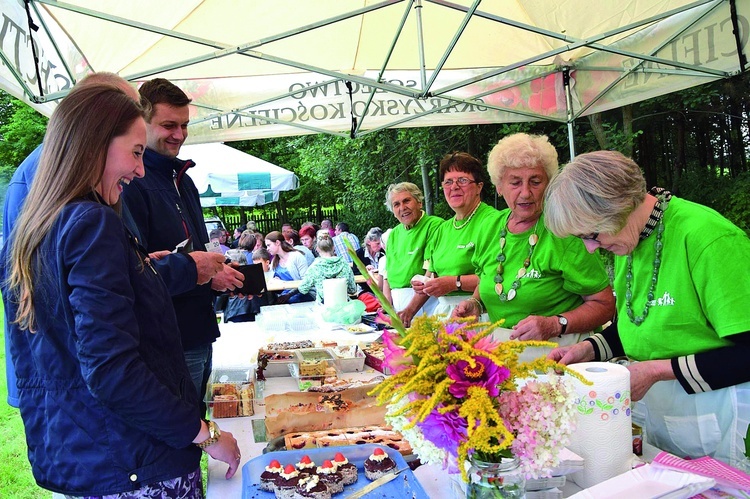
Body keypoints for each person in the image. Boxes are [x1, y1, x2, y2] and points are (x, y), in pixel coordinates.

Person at [0, 84, 240, 497]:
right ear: (94, 145)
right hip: (135, 463)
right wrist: (206, 433)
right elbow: (113, 371)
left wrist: (142, 270)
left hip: (84, 454)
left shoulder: (32, 229)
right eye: (135, 152)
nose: (141, 170)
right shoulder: (90, 224)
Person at [544, 150, 750, 466]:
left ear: (619, 205)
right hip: (666, 419)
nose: (590, 247)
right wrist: (588, 349)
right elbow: (640, 325)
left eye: (591, 235)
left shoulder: (707, 238)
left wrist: (655, 371)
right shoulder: (632, 236)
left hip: (718, 415)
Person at [121, 78, 244, 415]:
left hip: (199, 330)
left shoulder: (184, 180)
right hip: (166, 340)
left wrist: (221, 275)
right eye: (168, 125)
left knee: (199, 427)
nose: (179, 134)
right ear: (141, 124)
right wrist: (197, 272)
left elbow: (196, 253)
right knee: (185, 432)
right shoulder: (131, 182)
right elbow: (131, 271)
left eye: (185, 125)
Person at [452, 134, 614, 351]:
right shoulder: (489, 228)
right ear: (499, 186)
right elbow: (487, 279)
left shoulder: (565, 231)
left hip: (561, 355)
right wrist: (476, 304)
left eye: (536, 182)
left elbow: (604, 305)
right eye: (515, 182)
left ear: (548, 184)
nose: (526, 192)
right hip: (502, 354)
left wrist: (555, 324)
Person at [408, 152, 503, 323]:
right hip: (444, 314)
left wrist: (454, 283)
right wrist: (413, 303)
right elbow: (432, 274)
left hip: (480, 314)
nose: (454, 187)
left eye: (463, 180)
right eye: (448, 182)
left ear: (479, 187)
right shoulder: (442, 229)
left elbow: (499, 275)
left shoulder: (493, 222)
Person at [382, 182, 443, 325]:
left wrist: (410, 310)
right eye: (396, 204)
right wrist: (387, 307)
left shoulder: (435, 226)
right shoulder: (394, 234)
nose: (402, 208)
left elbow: (431, 274)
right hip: (399, 310)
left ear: (419, 202)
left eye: (406, 201)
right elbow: (387, 276)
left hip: (425, 306)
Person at [279, 233, 356, 304]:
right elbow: (352, 290)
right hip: (344, 305)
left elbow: (304, 288)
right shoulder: (344, 264)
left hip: (324, 307)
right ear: (333, 247)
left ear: (317, 249)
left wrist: (288, 295)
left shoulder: (315, 267)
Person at [265, 230, 314, 303]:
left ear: (277, 243)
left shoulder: (296, 256)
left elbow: (306, 282)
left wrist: (289, 295)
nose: (267, 249)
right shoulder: (274, 262)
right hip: (282, 298)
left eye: (269, 245)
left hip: (300, 297)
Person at [354, 227, 386, 293]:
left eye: (381, 243)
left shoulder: (383, 253)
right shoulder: (359, 254)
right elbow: (355, 273)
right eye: (377, 243)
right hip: (365, 290)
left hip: (383, 288)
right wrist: (365, 270)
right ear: (369, 242)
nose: (380, 246)